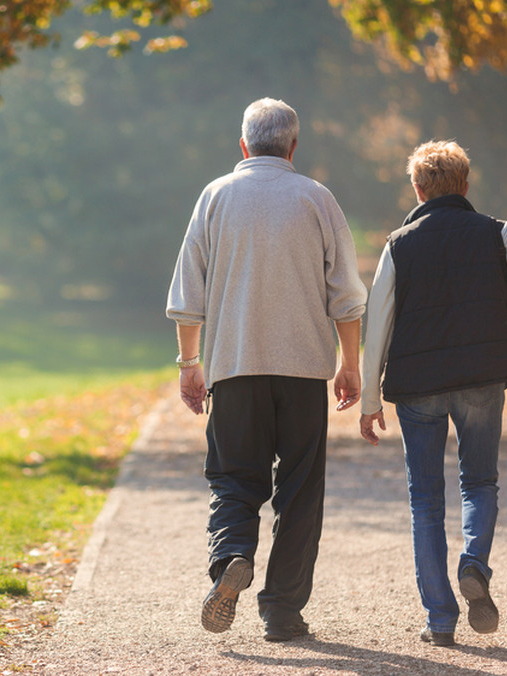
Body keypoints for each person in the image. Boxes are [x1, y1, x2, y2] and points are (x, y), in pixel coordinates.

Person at [166, 97, 368, 642]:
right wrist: (351, 364)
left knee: (234, 477)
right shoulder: (317, 198)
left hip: (234, 368)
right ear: (293, 146)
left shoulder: (215, 197)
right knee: (300, 491)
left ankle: (232, 556)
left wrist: (190, 363)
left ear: (243, 145)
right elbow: (346, 296)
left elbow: (190, 293)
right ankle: (281, 612)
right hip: (303, 372)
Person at [358, 140, 507, 647]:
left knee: (425, 501)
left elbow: (377, 321)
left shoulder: (399, 244)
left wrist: (369, 398)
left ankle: (441, 620)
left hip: (418, 386)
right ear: (466, 186)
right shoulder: (497, 232)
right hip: (483, 376)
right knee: (480, 482)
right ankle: (475, 565)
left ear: (418, 189)